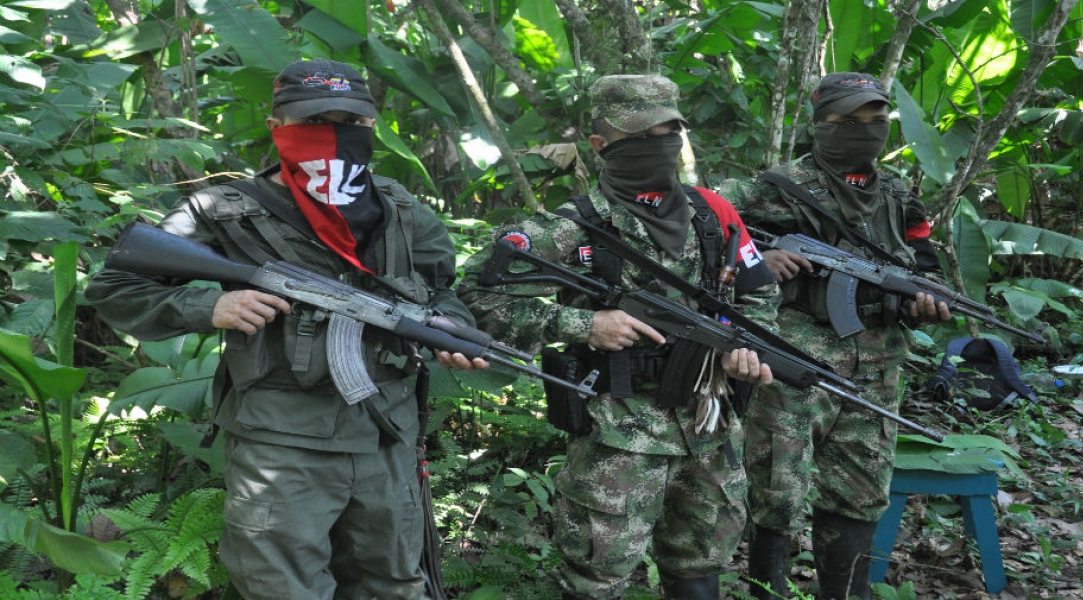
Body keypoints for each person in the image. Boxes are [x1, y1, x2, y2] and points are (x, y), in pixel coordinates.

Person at [86, 58, 486, 600]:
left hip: (386, 435)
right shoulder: (222, 211)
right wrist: (211, 306)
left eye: (349, 121)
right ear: (276, 129)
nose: (333, 135)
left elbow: (442, 287)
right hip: (280, 439)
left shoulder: (400, 208)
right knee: (282, 588)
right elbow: (116, 289)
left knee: (392, 583)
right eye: (313, 122)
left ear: (371, 127)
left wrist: (451, 330)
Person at [456, 74, 779, 600]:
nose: (660, 145)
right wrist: (583, 325)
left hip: (711, 426)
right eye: (642, 135)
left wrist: (742, 347)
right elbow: (476, 297)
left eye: (670, 132)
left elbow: (760, 298)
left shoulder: (712, 214)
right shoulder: (570, 228)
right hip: (617, 435)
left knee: (700, 565)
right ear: (600, 146)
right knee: (596, 579)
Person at [718, 72, 951, 600]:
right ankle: (767, 590)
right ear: (819, 125)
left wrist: (927, 300)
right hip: (794, 360)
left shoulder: (899, 194)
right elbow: (698, 224)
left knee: (862, 490)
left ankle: (846, 594)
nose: (865, 132)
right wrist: (757, 259)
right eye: (848, 122)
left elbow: (924, 263)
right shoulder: (772, 185)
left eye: (876, 121)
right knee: (776, 487)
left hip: (878, 363)